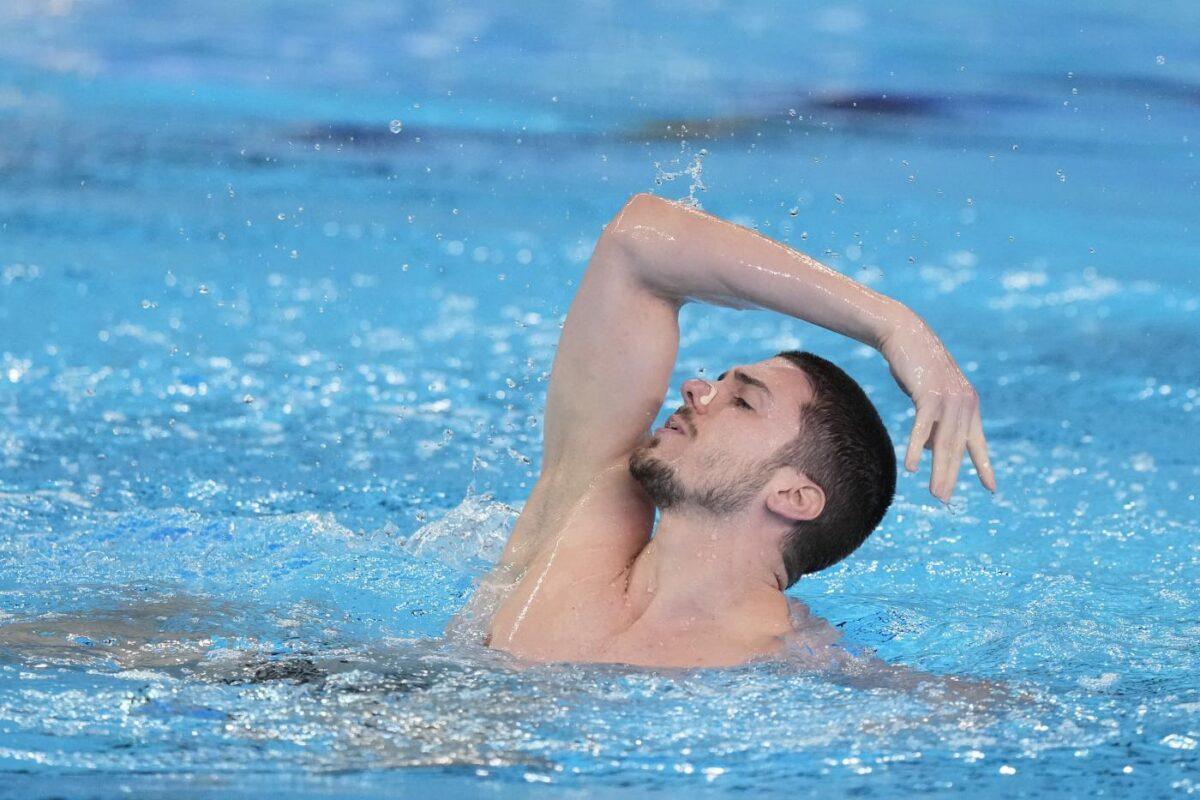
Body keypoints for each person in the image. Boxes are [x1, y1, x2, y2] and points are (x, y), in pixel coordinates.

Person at [481, 193, 996, 669]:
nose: (695, 389)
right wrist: (893, 325)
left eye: (743, 402)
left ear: (793, 496)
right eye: (720, 384)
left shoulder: (797, 670)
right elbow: (637, 241)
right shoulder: (582, 514)